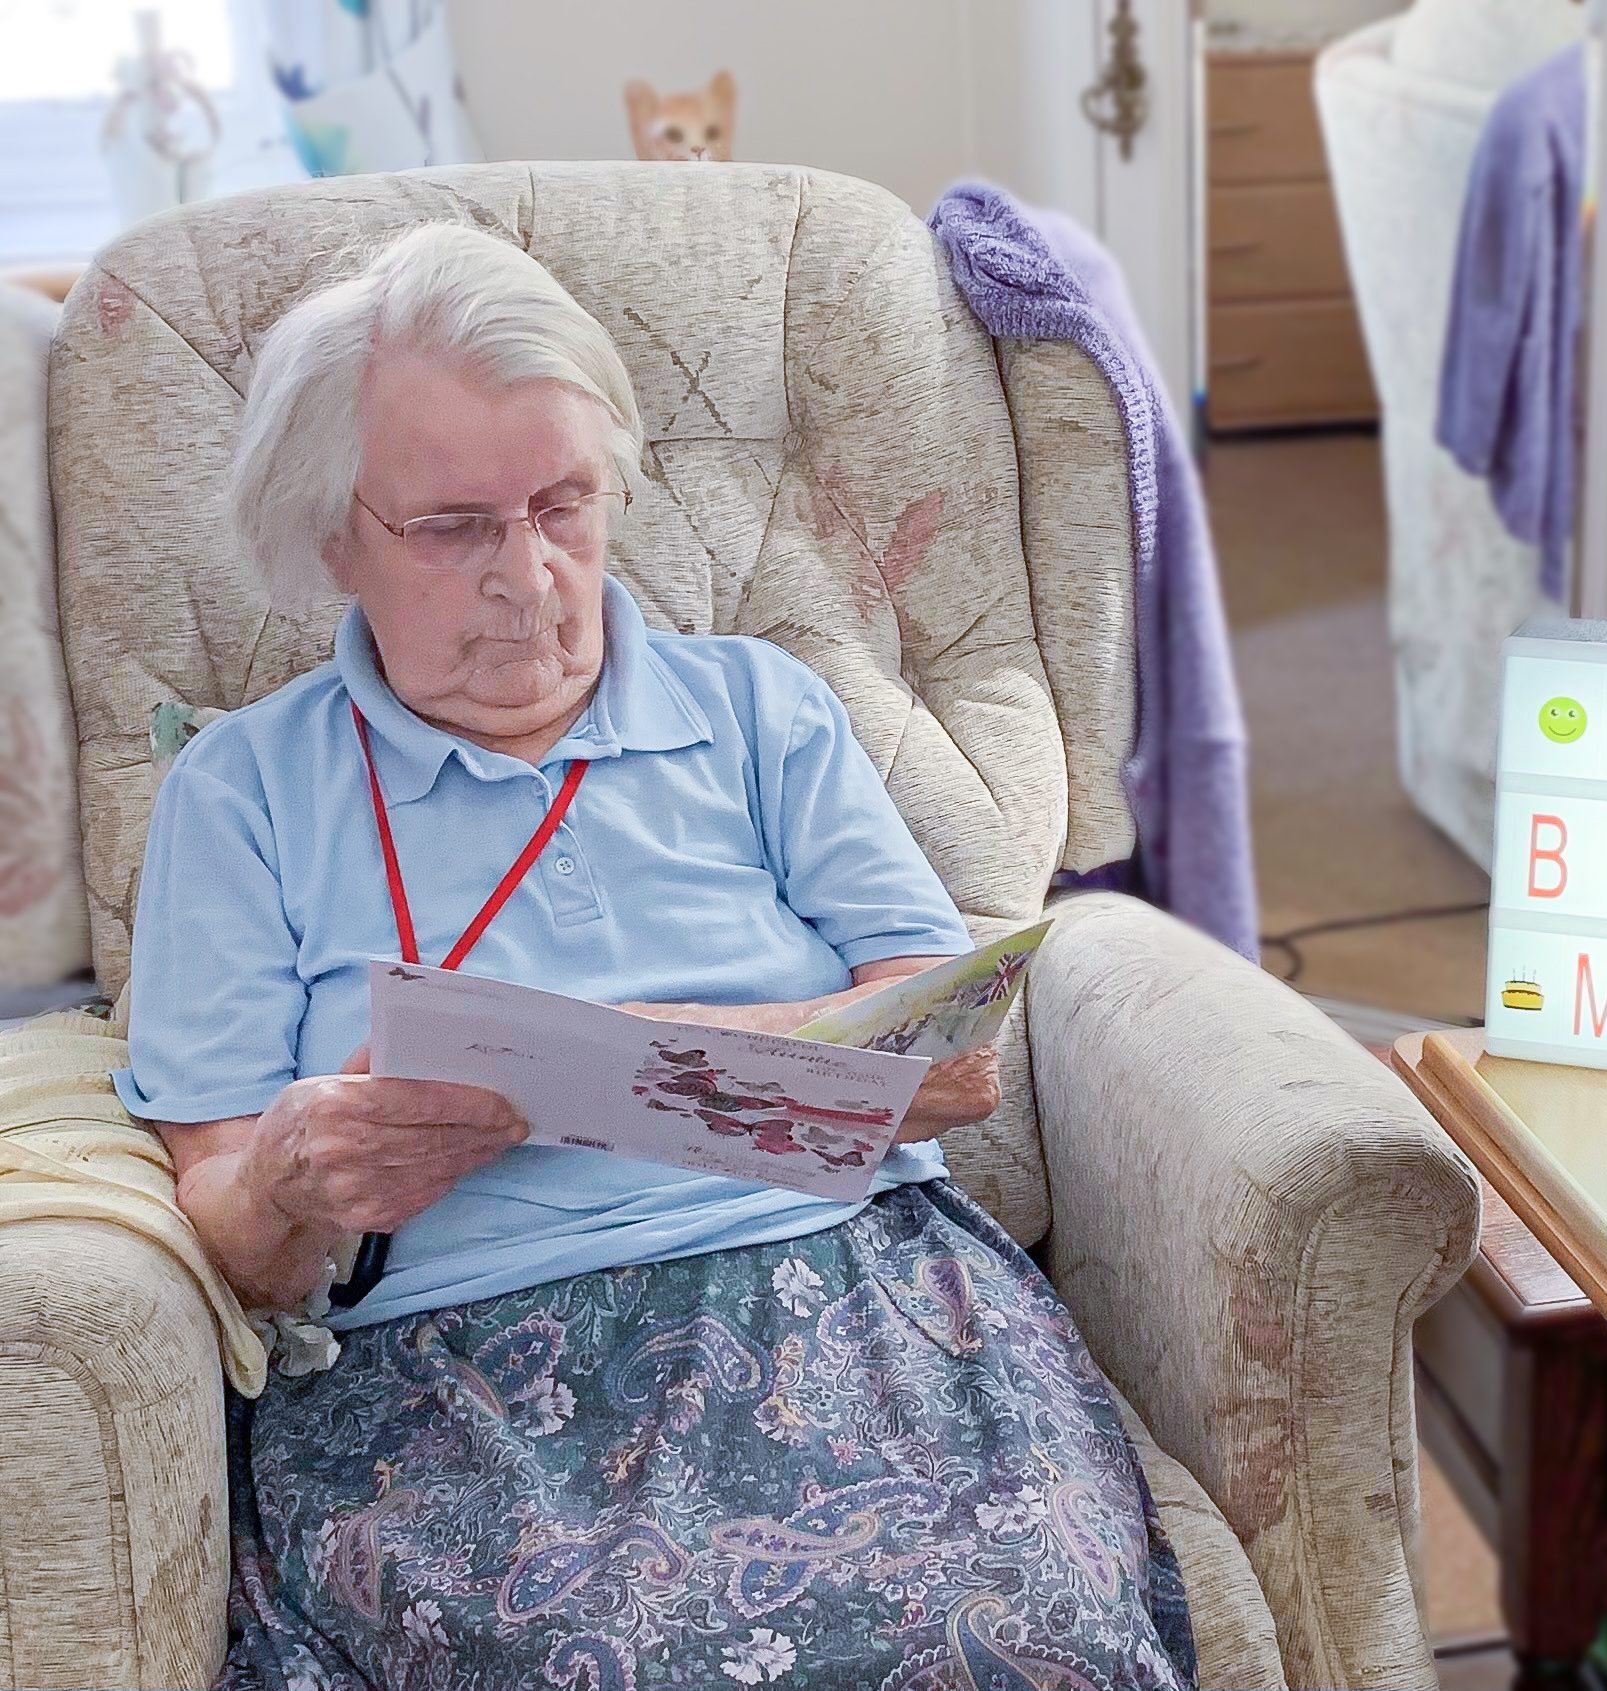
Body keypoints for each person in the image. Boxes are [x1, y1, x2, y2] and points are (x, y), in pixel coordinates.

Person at [117, 222, 1195, 1690]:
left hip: (851, 1290)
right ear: (330, 537)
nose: (531, 578)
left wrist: (633, 1049)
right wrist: (293, 1179)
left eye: (566, 504)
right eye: (451, 528)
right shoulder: (240, 794)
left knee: (1035, 1635)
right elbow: (230, 1227)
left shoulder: (761, 710)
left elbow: (952, 1066)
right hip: (456, 1366)